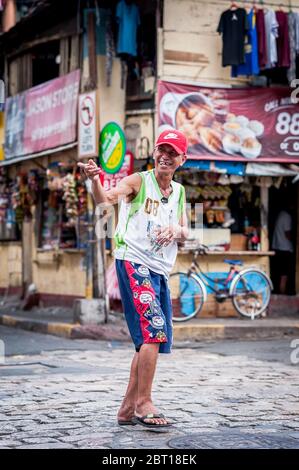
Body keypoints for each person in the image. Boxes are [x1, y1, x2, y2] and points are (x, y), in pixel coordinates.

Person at [78, 129, 189, 428]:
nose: (165, 156)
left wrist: (175, 231)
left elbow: (186, 230)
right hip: (133, 262)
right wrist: (94, 181)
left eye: (172, 152)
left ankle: (126, 409)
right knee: (154, 330)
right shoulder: (139, 181)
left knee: (146, 343)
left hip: (159, 270)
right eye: (161, 150)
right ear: (154, 153)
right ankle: (143, 402)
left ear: (182, 159)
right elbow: (107, 200)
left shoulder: (178, 192)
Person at [272, 202, 294, 295]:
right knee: (284, 274)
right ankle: (283, 294)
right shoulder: (287, 217)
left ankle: (279, 291)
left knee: (279, 272)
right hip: (285, 248)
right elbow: (288, 234)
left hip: (277, 247)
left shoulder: (280, 214)